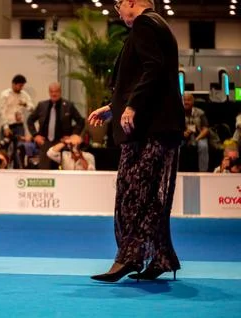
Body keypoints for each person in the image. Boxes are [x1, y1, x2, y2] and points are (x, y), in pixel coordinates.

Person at [87, 0, 184, 282]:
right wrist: (113, 108)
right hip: (158, 125)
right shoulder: (157, 25)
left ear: (131, 2)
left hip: (148, 128)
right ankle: (160, 257)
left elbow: (153, 69)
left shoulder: (144, 24)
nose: (117, 9)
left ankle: (129, 257)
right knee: (150, 195)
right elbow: (149, 75)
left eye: (118, 3)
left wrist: (131, 108)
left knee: (134, 192)